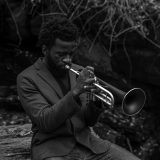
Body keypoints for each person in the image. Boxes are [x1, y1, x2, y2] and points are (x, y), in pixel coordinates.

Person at [17, 16, 141, 160]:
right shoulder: (27, 79)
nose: (68, 59)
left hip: (88, 145)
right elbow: (46, 122)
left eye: (71, 53)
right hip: (52, 149)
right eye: (61, 54)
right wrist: (76, 91)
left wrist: (96, 102)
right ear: (45, 49)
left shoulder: (78, 70)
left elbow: (88, 121)